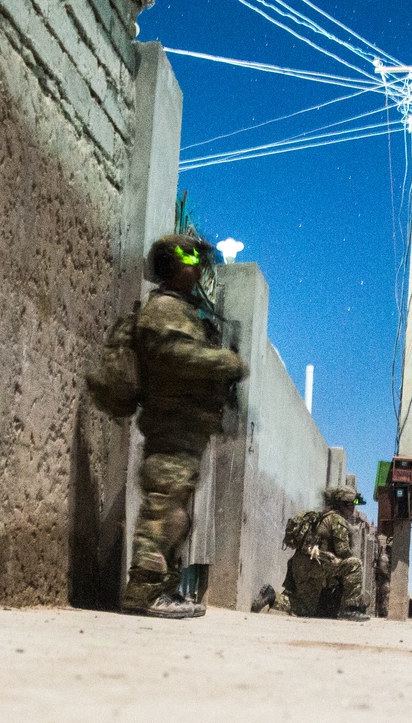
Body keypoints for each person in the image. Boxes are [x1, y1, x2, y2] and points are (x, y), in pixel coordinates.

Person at [122, 235, 247, 618]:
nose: (196, 265)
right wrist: (223, 362)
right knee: (164, 506)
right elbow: (174, 356)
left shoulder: (182, 310)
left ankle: (163, 588)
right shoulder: (163, 309)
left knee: (176, 512)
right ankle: (142, 591)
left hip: (185, 426)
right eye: (189, 257)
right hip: (170, 423)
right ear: (171, 264)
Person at [265, 486, 369, 621]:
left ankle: (271, 596)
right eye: (352, 504)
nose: (354, 508)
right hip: (317, 565)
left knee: (306, 608)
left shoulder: (322, 517)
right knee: (354, 565)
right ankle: (350, 609)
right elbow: (342, 550)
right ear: (345, 504)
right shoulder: (338, 520)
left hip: (301, 565)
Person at [374, 534, 392, 618]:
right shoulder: (384, 557)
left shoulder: (389, 557)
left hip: (384, 581)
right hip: (383, 582)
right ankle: (383, 613)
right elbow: (384, 571)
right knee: (386, 592)